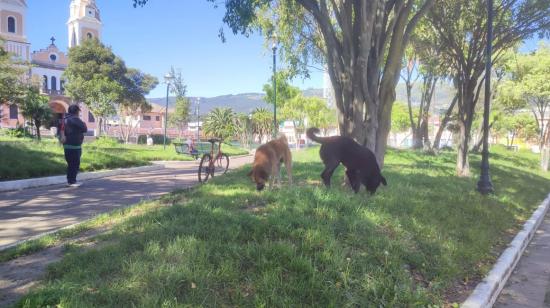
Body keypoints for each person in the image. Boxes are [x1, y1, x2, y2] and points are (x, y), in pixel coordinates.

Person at [60, 104, 87, 187]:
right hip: (75, 146)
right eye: (78, 111)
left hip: (67, 145)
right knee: (75, 164)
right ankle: (72, 181)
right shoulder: (75, 119)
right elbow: (84, 129)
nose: (79, 113)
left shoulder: (65, 119)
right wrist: (83, 123)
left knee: (70, 164)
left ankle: (70, 181)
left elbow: (61, 130)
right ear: (76, 111)